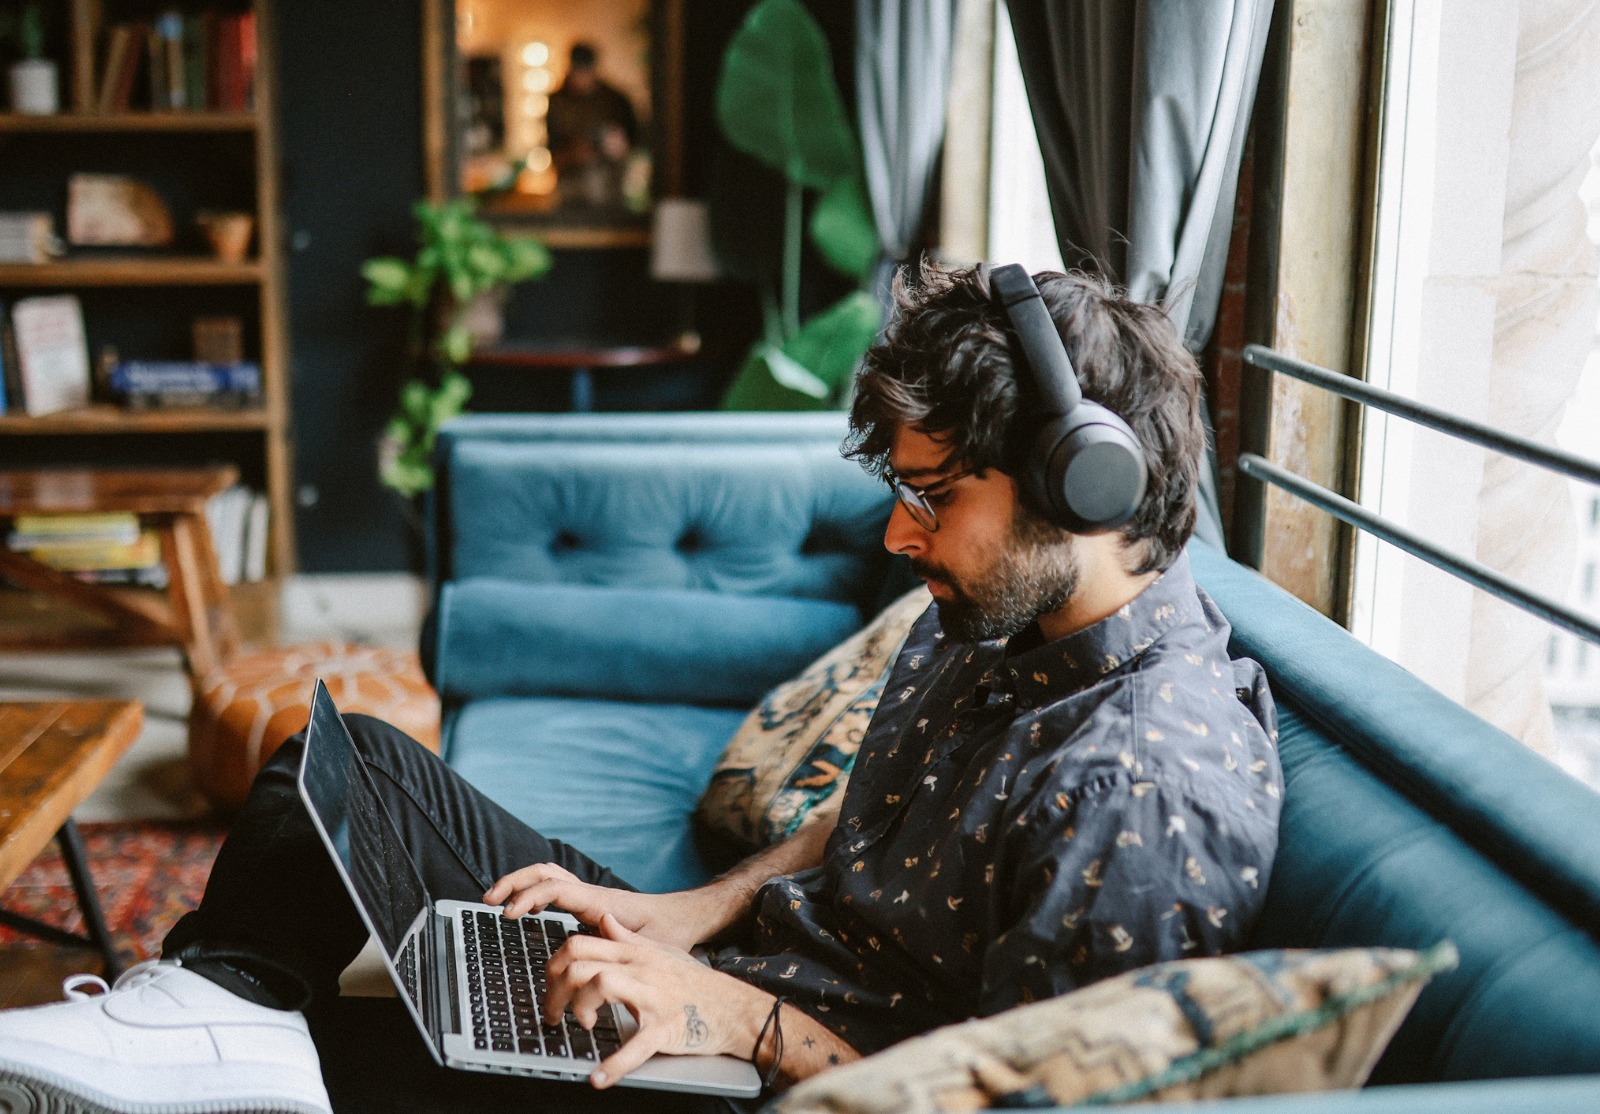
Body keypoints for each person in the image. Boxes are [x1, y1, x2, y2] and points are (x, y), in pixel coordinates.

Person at [0, 264, 1281, 1113]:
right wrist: (684, 912)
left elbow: (1004, 1097)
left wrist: (739, 1021)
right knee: (348, 766)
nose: (899, 537)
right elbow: (868, 817)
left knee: (315, 1069)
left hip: (766, 1072)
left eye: (933, 499)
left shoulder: (1137, 788)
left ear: (1082, 488)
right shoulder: (997, 616)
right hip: (732, 973)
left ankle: (227, 1040)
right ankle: (218, 1005)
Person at [545, 41, 638, 210]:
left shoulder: (616, 100)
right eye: (577, 72)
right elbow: (551, 148)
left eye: (585, 71)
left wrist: (619, 146)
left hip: (610, 188)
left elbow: (636, 140)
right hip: (570, 188)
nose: (581, 78)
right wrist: (575, 152)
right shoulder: (558, 101)